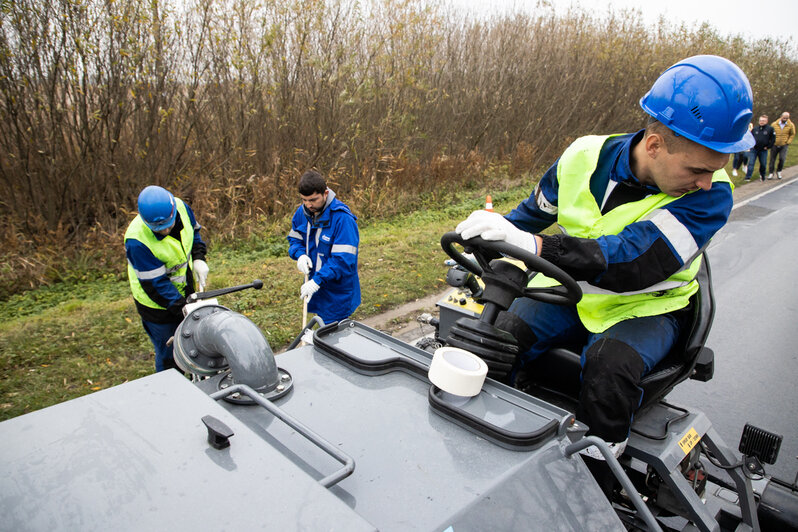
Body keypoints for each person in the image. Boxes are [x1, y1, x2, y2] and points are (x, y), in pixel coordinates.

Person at [455, 55, 754, 485]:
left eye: (714, 170)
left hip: (647, 307)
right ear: (654, 145)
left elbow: (632, 260)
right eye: (698, 169)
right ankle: (492, 440)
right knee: (499, 336)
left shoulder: (712, 197)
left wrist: (537, 246)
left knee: (608, 368)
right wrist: (490, 234)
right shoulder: (582, 157)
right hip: (572, 293)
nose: (707, 180)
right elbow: (530, 216)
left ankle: (599, 478)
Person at [125, 185, 209, 372]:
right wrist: (184, 309)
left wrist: (198, 258)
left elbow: (194, 233)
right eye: (159, 229)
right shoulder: (137, 241)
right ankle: (171, 390)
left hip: (185, 290)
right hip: (157, 307)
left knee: (197, 346)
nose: (165, 231)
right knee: (170, 354)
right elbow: (156, 285)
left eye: (168, 225)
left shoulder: (182, 208)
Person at [287, 170, 360, 324]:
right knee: (319, 328)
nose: (308, 205)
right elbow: (294, 240)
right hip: (317, 288)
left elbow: (343, 261)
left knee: (333, 337)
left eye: (313, 200)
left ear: (325, 193)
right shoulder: (302, 213)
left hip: (337, 292)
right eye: (304, 200)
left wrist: (316, 281)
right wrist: (300, 255)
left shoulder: (342, 219)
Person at [746, 115, 775, 181]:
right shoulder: (755, 129)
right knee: (751, 163)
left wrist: (768, 147)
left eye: (763, 121)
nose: (761, 122)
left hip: (763, 150)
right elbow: (750, 137)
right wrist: (751, 145)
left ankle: (762, 175)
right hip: (754, 149)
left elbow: (773, 139)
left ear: (766, 121)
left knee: (763, 164)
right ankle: (748, 177)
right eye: (760, 120)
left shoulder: (770, 129)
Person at [768, 112, 795, 180]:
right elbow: (770, 133)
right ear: (781, 117)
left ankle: (779, 171)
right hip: (775, 144)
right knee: (772, 159)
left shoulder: (790, 125)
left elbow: (792, 134)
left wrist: (788, 142)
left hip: (784, 145)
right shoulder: (774, 124)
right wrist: (771, 142)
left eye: (787, 118)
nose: (785, 119)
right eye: (784, 118)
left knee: (782, 159)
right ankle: (771, 173)